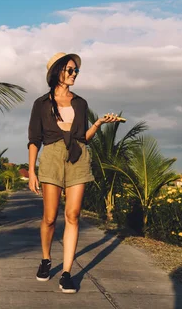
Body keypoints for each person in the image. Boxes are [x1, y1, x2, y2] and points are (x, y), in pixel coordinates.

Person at [27, 52, 122, 294]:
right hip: (51, 159)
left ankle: (67, 273)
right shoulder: (41, 104)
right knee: (49, 217)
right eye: (69, 70)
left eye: (76, 71)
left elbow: (83, 139)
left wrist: (98, 124)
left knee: (73, 215)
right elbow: (34, 140)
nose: (74, 74)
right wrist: (31, 170)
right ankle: (46, 259)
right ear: (57, 72)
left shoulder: (80, 102)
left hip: (78, 158)